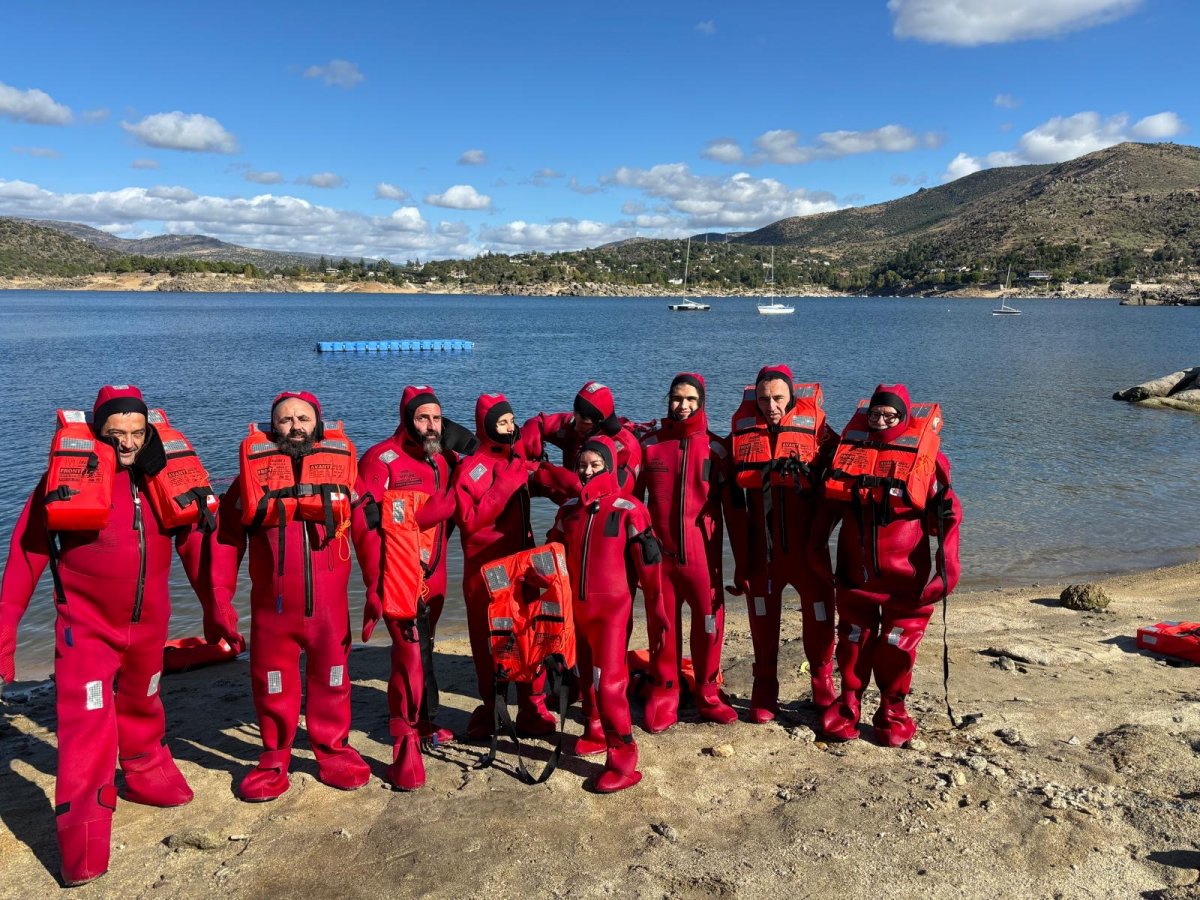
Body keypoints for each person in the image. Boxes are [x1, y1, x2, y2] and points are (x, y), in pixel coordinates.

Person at [0, 385, 239, 886]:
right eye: (116, 434)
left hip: (148, 628)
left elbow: (198, 552)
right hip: (85, 631)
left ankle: (146, 769)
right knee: (86, 729)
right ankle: (84, 831)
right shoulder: (63, 479)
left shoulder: (163, 480)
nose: (128, 443)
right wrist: (5, 638)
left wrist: (217, 612)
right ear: (98, 433)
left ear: (149, 430)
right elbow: (25, 560)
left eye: (136, 432)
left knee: (143, 703)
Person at [210, 391, 370, 801]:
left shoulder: (344, 472)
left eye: (303, 418)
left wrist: (379, 587)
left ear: (318, 425)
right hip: (273, 614)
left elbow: (367, 532)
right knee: (272, 684)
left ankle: (332, 748)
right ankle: (275, 756)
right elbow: (226, 541)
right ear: (272, 427)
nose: (295, 426)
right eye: (285, 420)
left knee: (333, 681)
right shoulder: (249, 479)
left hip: (330, 615)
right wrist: (219, 600)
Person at [811, 383, 961, 746]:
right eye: (875, 413)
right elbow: (825, 517)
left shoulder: (931, 463)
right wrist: (816, 556)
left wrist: (947, 569)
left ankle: (892, 712)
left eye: (889, 415)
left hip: (905, 580)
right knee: (852, 641)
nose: (880, 421)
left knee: (897, 647)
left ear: (904, 417)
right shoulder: (847, 456)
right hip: (855, 576)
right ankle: (848, 706)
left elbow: (948, 521)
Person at [352, 384, 459, 790]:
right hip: (398, 577)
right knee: (408, 657)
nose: (431, 426)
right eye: (422, 418)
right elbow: (363, 527)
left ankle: (428, 722)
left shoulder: (444, 459)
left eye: (436, 418)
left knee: (425, 650)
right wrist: (373, 583)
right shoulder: (381, 460)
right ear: (406, 419)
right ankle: (405, 746)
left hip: (435, 575)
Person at [454, 392, 577, 739]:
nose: (510, 428)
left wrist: (570, 481)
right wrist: (507, 482)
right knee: (489, 644)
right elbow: (470, 521)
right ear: (487, 426)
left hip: (521, 567)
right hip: (484, 572)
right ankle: (492, 709)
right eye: (502, 422)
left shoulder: (517, 461)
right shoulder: (470, 468)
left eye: (512, 422)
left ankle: (531, 708)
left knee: (529, 635)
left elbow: (554, 485)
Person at [549, 435, 667, 793]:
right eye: (581, 465)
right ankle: (594, 728)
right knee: (585, 677)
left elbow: (651, 569)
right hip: (577, 611)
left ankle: (623, 757)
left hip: (611, 613)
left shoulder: (629, 508)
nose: (586, 471)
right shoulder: (568, 509)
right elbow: (550, 556)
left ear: (610, 467)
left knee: (609, 684)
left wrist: (657, 612)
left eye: (595, 465)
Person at [727, 365, 839, 723]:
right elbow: (734, 503)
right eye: (763, 398)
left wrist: (821, 538)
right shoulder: (742, 434)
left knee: (820, 614)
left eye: (777, 397)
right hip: (765, 552)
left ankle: (822, 681)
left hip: (808, 551)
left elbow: (841, 490)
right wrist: (741, 561)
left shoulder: (820, 432)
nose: (770, 405)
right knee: (761, 616)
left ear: (791, 396)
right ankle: (764, 686)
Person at [637, 373, 738, 729]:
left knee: (709, 623)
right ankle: (665, 690)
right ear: (668, 400)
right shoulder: (649, 445)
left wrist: (743, 563)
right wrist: (632, 560)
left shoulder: (716, 449)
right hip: (660, 559)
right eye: (677, 398)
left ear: (702, 403)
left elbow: (736, 515)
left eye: (691, 400)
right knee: (662, 626)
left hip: (702, 560)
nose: (683, 406)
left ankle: (708, 692)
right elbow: (631, 507)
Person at [527, 380, 642, 497]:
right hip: (571, 505)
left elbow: (612, 494)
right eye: (575, 417)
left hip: (607, 511)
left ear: (600, 423)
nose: (576, 428)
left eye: (584, 423)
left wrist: (549, 475)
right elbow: (539, 422)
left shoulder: (627, 450)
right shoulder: (575, 426)